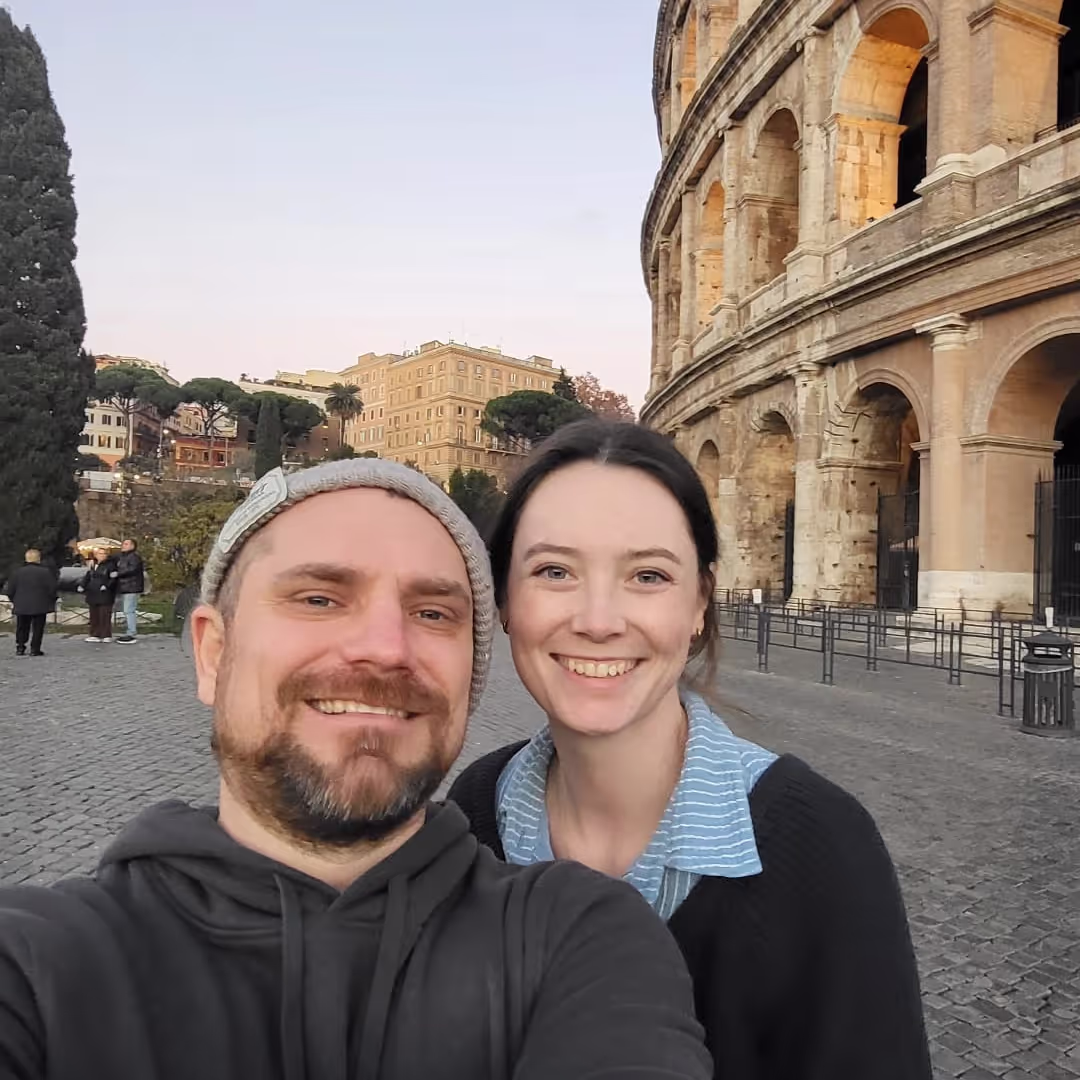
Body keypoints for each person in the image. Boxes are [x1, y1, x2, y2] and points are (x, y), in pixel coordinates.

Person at [0, 460, 711, 1080]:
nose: (384, 647)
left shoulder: (581, 937)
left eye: (433, 612)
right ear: (213, 653)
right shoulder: (36, 968)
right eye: (318, 598)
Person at [449, 419, 933, 1080]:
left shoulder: (821, 844)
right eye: (554, 570)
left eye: (647, 575)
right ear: (505, 599)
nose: (597, 619)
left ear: (700, 603)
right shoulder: (473, 811)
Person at [4, 549, 57, 657]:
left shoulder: (17, 572)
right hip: (40, 604)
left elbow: (10, 589)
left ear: (26, 558)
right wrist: (52, 599)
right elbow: (52, 588)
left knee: (21, 627)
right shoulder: (45, 572)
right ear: (38, 559)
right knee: (38, 628)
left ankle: (20, 647)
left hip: (21, 604)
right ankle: (35, 649)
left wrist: (15, 600)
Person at [79, 546, 119, 643]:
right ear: (96, 555)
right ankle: (95, 634)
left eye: (104, 554)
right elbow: (88, 576)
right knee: (94, 615)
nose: (102, 555)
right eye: (100, 554)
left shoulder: (111, 565)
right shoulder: (93, 565)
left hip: (104, 593)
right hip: (93, 592)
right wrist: (82, 585)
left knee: (104, 614)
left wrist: (107, 585)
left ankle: (106, 634)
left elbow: (113, 578)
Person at [114, 538, 146, 644]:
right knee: (127, 610)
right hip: (126, 587)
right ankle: (130, 631)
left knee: (129, 610)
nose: (123, 546)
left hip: (132, 587)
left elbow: (132, 569)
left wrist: (118, 573)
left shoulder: (134, 557)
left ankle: (131, 633)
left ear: (132, 546)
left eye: (126, 544)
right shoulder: (123, 557)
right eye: (123, 544)